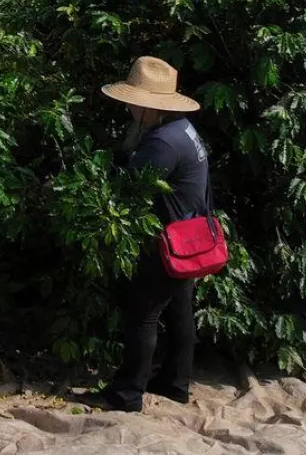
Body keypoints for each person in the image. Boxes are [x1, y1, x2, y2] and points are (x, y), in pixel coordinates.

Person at [98, 55, 208, 413]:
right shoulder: (182, 129)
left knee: (142, 316)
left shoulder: (162, 141)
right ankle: (175, 382)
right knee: (179, 311)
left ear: (148, 106)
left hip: (166, 241)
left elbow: (132, 187)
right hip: (188, 235)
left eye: (132, 100)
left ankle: (127, 393)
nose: (128, 106)